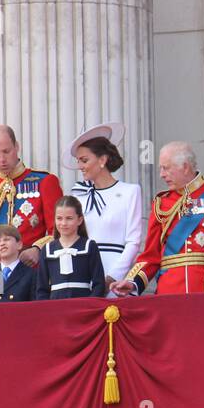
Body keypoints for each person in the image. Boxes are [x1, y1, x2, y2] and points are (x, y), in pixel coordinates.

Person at [112, 143, 204, 296]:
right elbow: (150, 255)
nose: (161, 174)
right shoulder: (161, 203)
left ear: (185, 167)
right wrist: (132, 282)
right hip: (169, 293)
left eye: (166, 168)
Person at [0, 125, 64, 279]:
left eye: (6, 151)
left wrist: (38, 249)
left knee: (28, 304)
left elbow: (58, 229)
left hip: (30, 266)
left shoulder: (44, 181)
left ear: (16, 146)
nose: (2, 159)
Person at [65, 122, 144, 296]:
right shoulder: (78, 195)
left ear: (102, 160)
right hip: (83, 274)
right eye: (78, 161)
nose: (80, 166)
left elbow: (133, 242)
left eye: (84, 160)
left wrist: (112, 277)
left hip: (117, 279)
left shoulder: (130, 191)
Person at [36, 196, 106, 299]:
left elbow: (99, 284)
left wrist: (89, 305)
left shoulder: (89, 246)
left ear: (79, 220)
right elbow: (41, 289)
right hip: (55, 307)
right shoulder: (47, 250)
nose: (63, 223)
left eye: (69, 218)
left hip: (83, 306)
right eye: (59, 218)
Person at [0, 224, 38, 303]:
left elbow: (36, 306)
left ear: (19, 244)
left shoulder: (31, 274)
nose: (2, 244)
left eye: (6, 239)